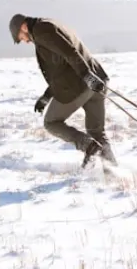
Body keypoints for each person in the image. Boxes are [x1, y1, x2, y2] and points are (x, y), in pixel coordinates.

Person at [9, 13, 116, 168]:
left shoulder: (41, 30)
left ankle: (88, 146)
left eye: (20, 37)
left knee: (51, 122)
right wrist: (46, 97)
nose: (24, 41)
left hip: (81, 84)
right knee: (97, 132)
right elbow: (59, 70)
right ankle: (113, 175)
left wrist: (87, 76)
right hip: (97, 79)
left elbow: (69, 52)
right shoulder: (48, 25)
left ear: (24, 27)